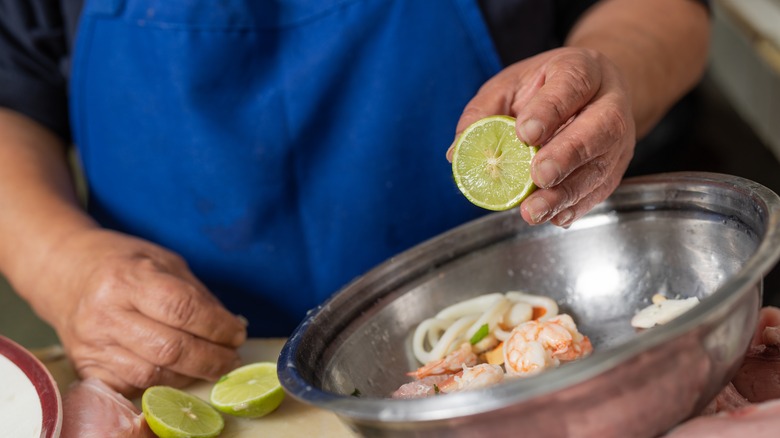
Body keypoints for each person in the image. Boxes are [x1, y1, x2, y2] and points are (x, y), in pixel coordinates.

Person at [0, 0, 710, 395]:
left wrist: (608, 72)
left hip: (501, 364)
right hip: (190, 376)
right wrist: (60, 262)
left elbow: (662, 7)